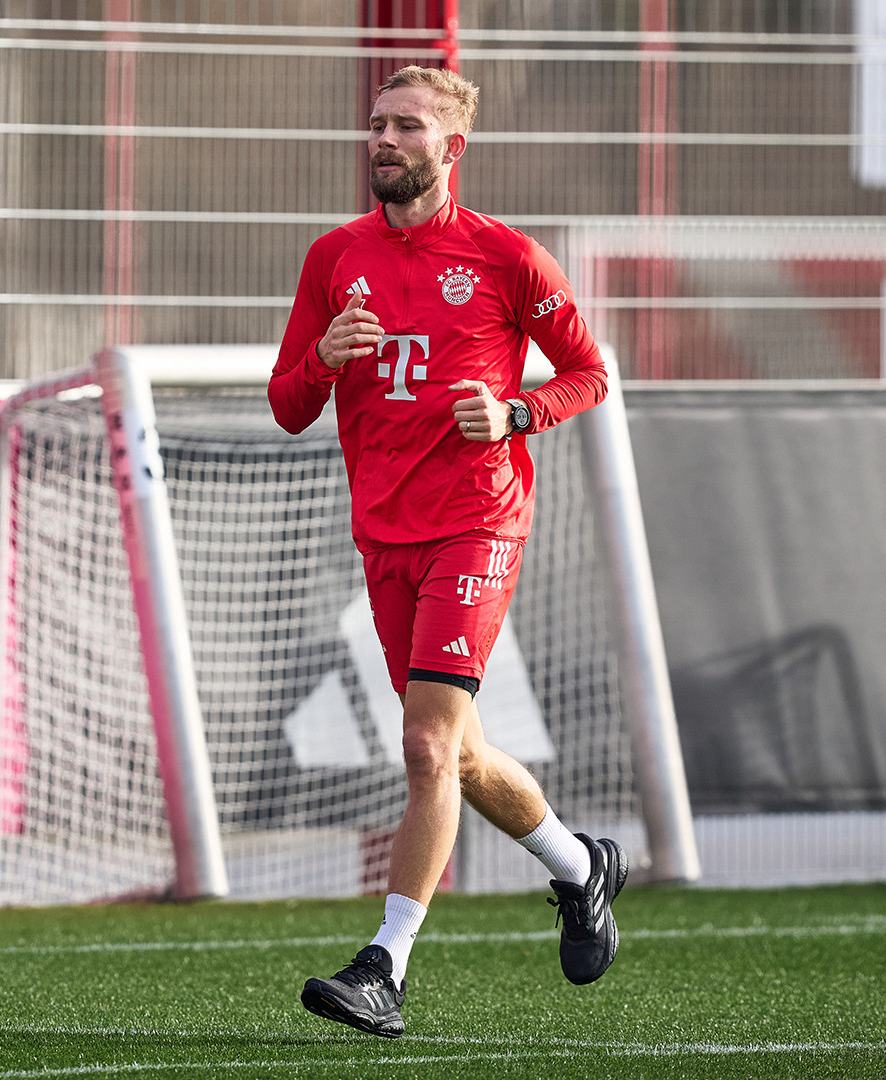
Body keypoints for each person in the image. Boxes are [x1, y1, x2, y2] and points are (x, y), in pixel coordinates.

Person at [269, 65, 624, 1040]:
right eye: (377, 124)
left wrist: (516, 411)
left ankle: (385, 965)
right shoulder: (334, 259)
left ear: (450, 149)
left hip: (479, 519)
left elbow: (592, 373)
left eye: (407, 127)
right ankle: (581, 867)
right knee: (459, 755)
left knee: (424, 743)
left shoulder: (506, 259)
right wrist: (325, 358)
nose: (383, 140)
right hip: (383, 533)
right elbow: (289, 405)